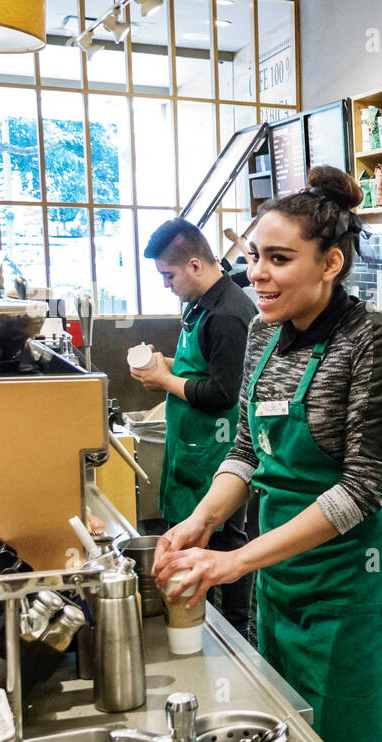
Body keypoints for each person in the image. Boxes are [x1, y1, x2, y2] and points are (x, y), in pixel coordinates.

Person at [152, 167, 382, 742]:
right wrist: (201, 523)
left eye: (279, 259)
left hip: (350, 574)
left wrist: (236, 559)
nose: (258, 275)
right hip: (285, 569)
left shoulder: (373, 338)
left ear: (331, 262)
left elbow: (362, 488)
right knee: (289, 734)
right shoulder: (264, 334)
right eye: (253, 258)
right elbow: (247, 450)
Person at [136, 218, 256, 640]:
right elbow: (197, 368)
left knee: (225, 538)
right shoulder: (199, 305)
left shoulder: (229, 314)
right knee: (195, 536)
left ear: (194, 265)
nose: (166, 284)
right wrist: (162, 366)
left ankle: (236, 630)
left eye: (168, 276)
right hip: (190, 443)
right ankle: (200, 622)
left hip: (217, 450)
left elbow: (224, 392)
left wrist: (164, 382)